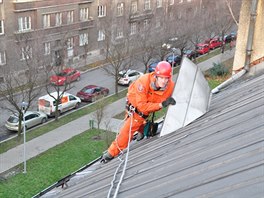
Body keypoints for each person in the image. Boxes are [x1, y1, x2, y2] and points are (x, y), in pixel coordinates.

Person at [101, 61, 176, 163]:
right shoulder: (144, 82)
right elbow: (142, 107)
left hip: (145, 110)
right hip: (136, 108)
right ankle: (110, 153)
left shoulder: (170, 86)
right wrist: (161, 105)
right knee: (127, 132)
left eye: (166, 78)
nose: (163, 81)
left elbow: (178, 93)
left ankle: (141, 130)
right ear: (156, 76)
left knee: (139, 122)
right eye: (161, 78)